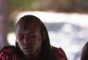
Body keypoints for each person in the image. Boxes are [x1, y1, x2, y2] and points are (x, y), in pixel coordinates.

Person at [0, 15, 67, 60]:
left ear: (43, 35)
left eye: (32, 36)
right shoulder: (8, 56)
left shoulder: (57, 56)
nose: (26, 41)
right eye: (21, 37)